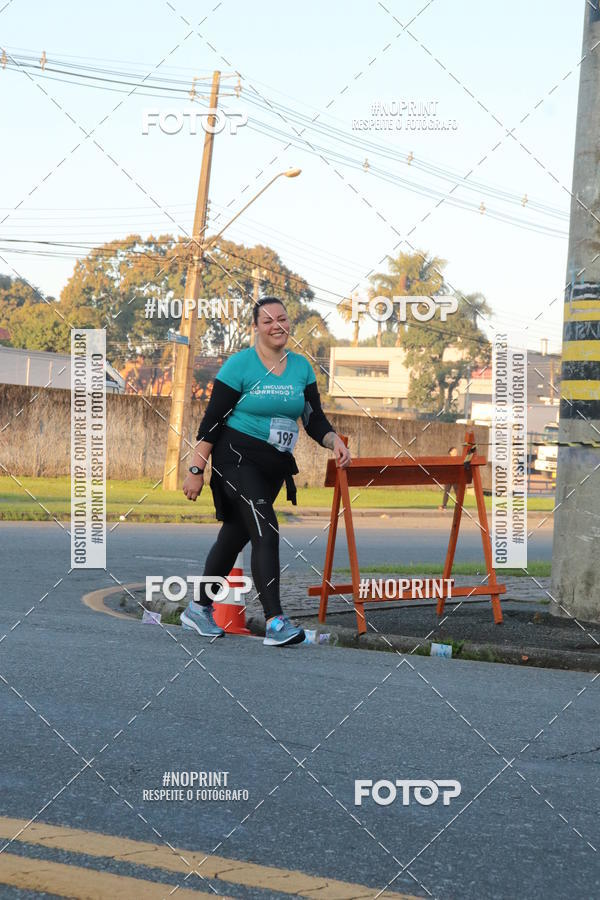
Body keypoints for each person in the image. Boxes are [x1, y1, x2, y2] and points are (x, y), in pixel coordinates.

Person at [181, 296, 352, 646]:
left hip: (273, 466)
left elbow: (312, 417)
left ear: (290, 324)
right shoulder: (239, 366)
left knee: (234, 537)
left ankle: (197, 609)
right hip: (235, 458)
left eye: (283, 319)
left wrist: (333, 439)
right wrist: (196, 468)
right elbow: (212, 423)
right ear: (256, 327)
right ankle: (275, 621)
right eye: (268, 320)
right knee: (266, 528)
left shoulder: (301, 368)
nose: (277, 325)